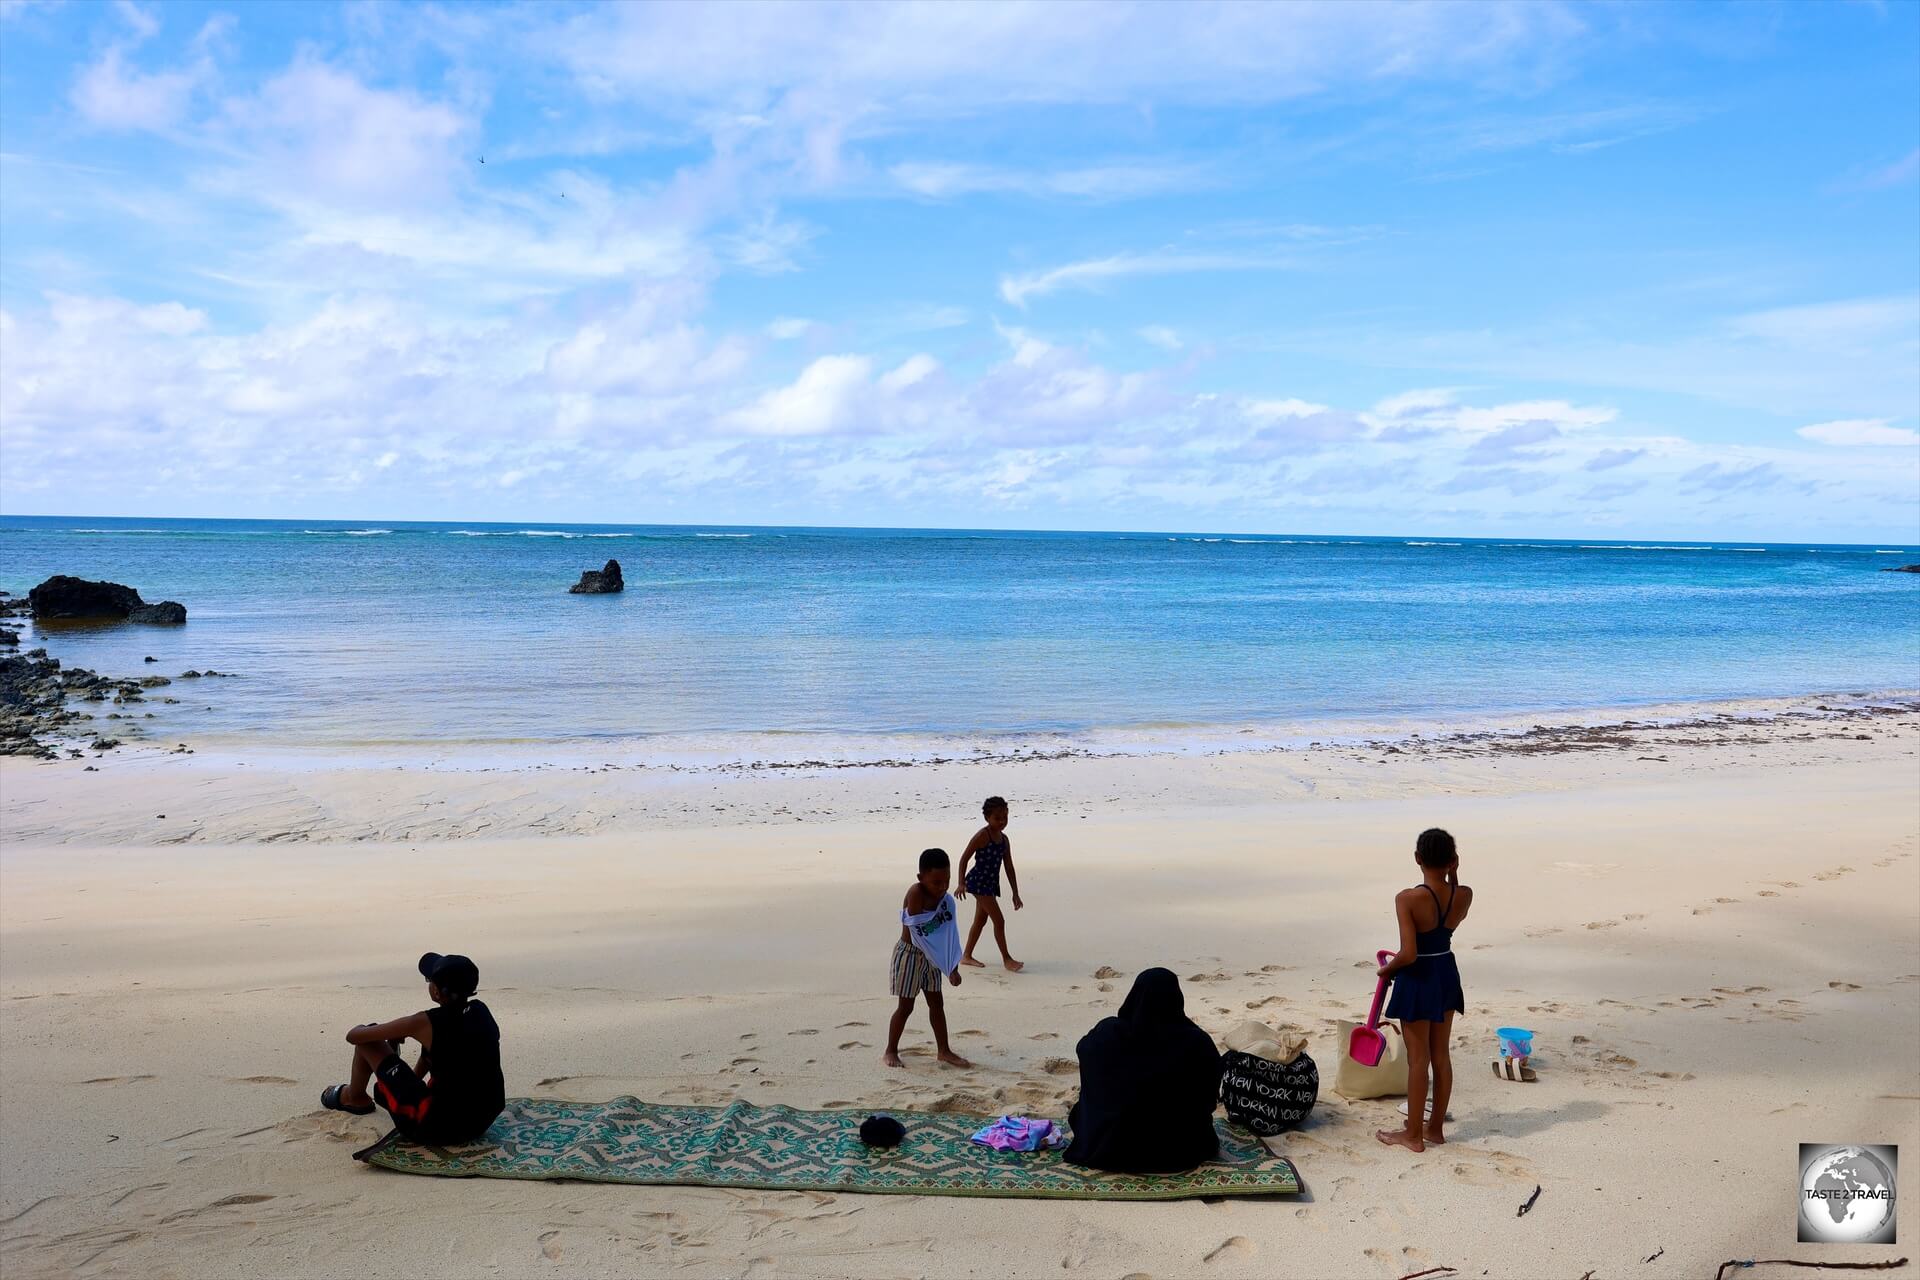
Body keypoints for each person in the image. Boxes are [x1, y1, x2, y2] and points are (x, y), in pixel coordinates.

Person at [320, 952, 505, 1145]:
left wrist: (383, 1033)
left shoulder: (423, 1023)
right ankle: (393, 1089)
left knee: (369, 1041)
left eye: (429, 980)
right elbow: (442, 1052)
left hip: (436, 1128)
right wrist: (411, 1079)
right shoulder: (481, 1011)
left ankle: (354, 1097)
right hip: (481, 1120)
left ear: (436, 992)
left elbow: (354, 1036)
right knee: (451, 1050)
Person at [1063, 968, 1223, 1173]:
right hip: (1177, 1151)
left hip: (1107, 1147)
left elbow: (1085, 1054)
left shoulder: (1106, 1033)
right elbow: (1209, 1098)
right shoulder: (1196, 1043)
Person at [1376, 828, 1471, 1153]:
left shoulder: (1408, 898)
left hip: (1418, 977)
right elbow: (1451, 897)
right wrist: (1453, 875)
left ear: (1418, 859)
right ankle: (1434, 1129)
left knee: (1418, 1061)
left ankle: (1413, 1135)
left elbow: (1408, 954)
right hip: (1445, 970)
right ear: (1452, 860)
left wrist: (1387, 970)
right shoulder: (1464, 894)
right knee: (1441, 1055)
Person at [884, 849, 971, 1070]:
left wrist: (951, 966)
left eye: (947, 881)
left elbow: (948, 934)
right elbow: (920, 934)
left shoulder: (946, 901)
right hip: (910, 956)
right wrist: (944, 965)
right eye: (936, 882)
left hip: (933, 959)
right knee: (906, 1007)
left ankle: (944, 1050)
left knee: (937, 1003)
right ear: (921, 878)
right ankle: (891, 1050)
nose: (942, 887)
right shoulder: (916, 894)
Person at [956, 795, 1023, 971]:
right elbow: (964, 859)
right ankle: (1007, 959)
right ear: (987, 818)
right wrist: (961, 883)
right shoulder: (982, 836)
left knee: (980, 920)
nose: (1002, 821)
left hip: (991, 884)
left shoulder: (1004, 840)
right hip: (978, 883)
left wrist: (1015, 893)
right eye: (997, 818)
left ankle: (966, 956)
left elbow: (1009, 867)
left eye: (1005, 817)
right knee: (999, 921)